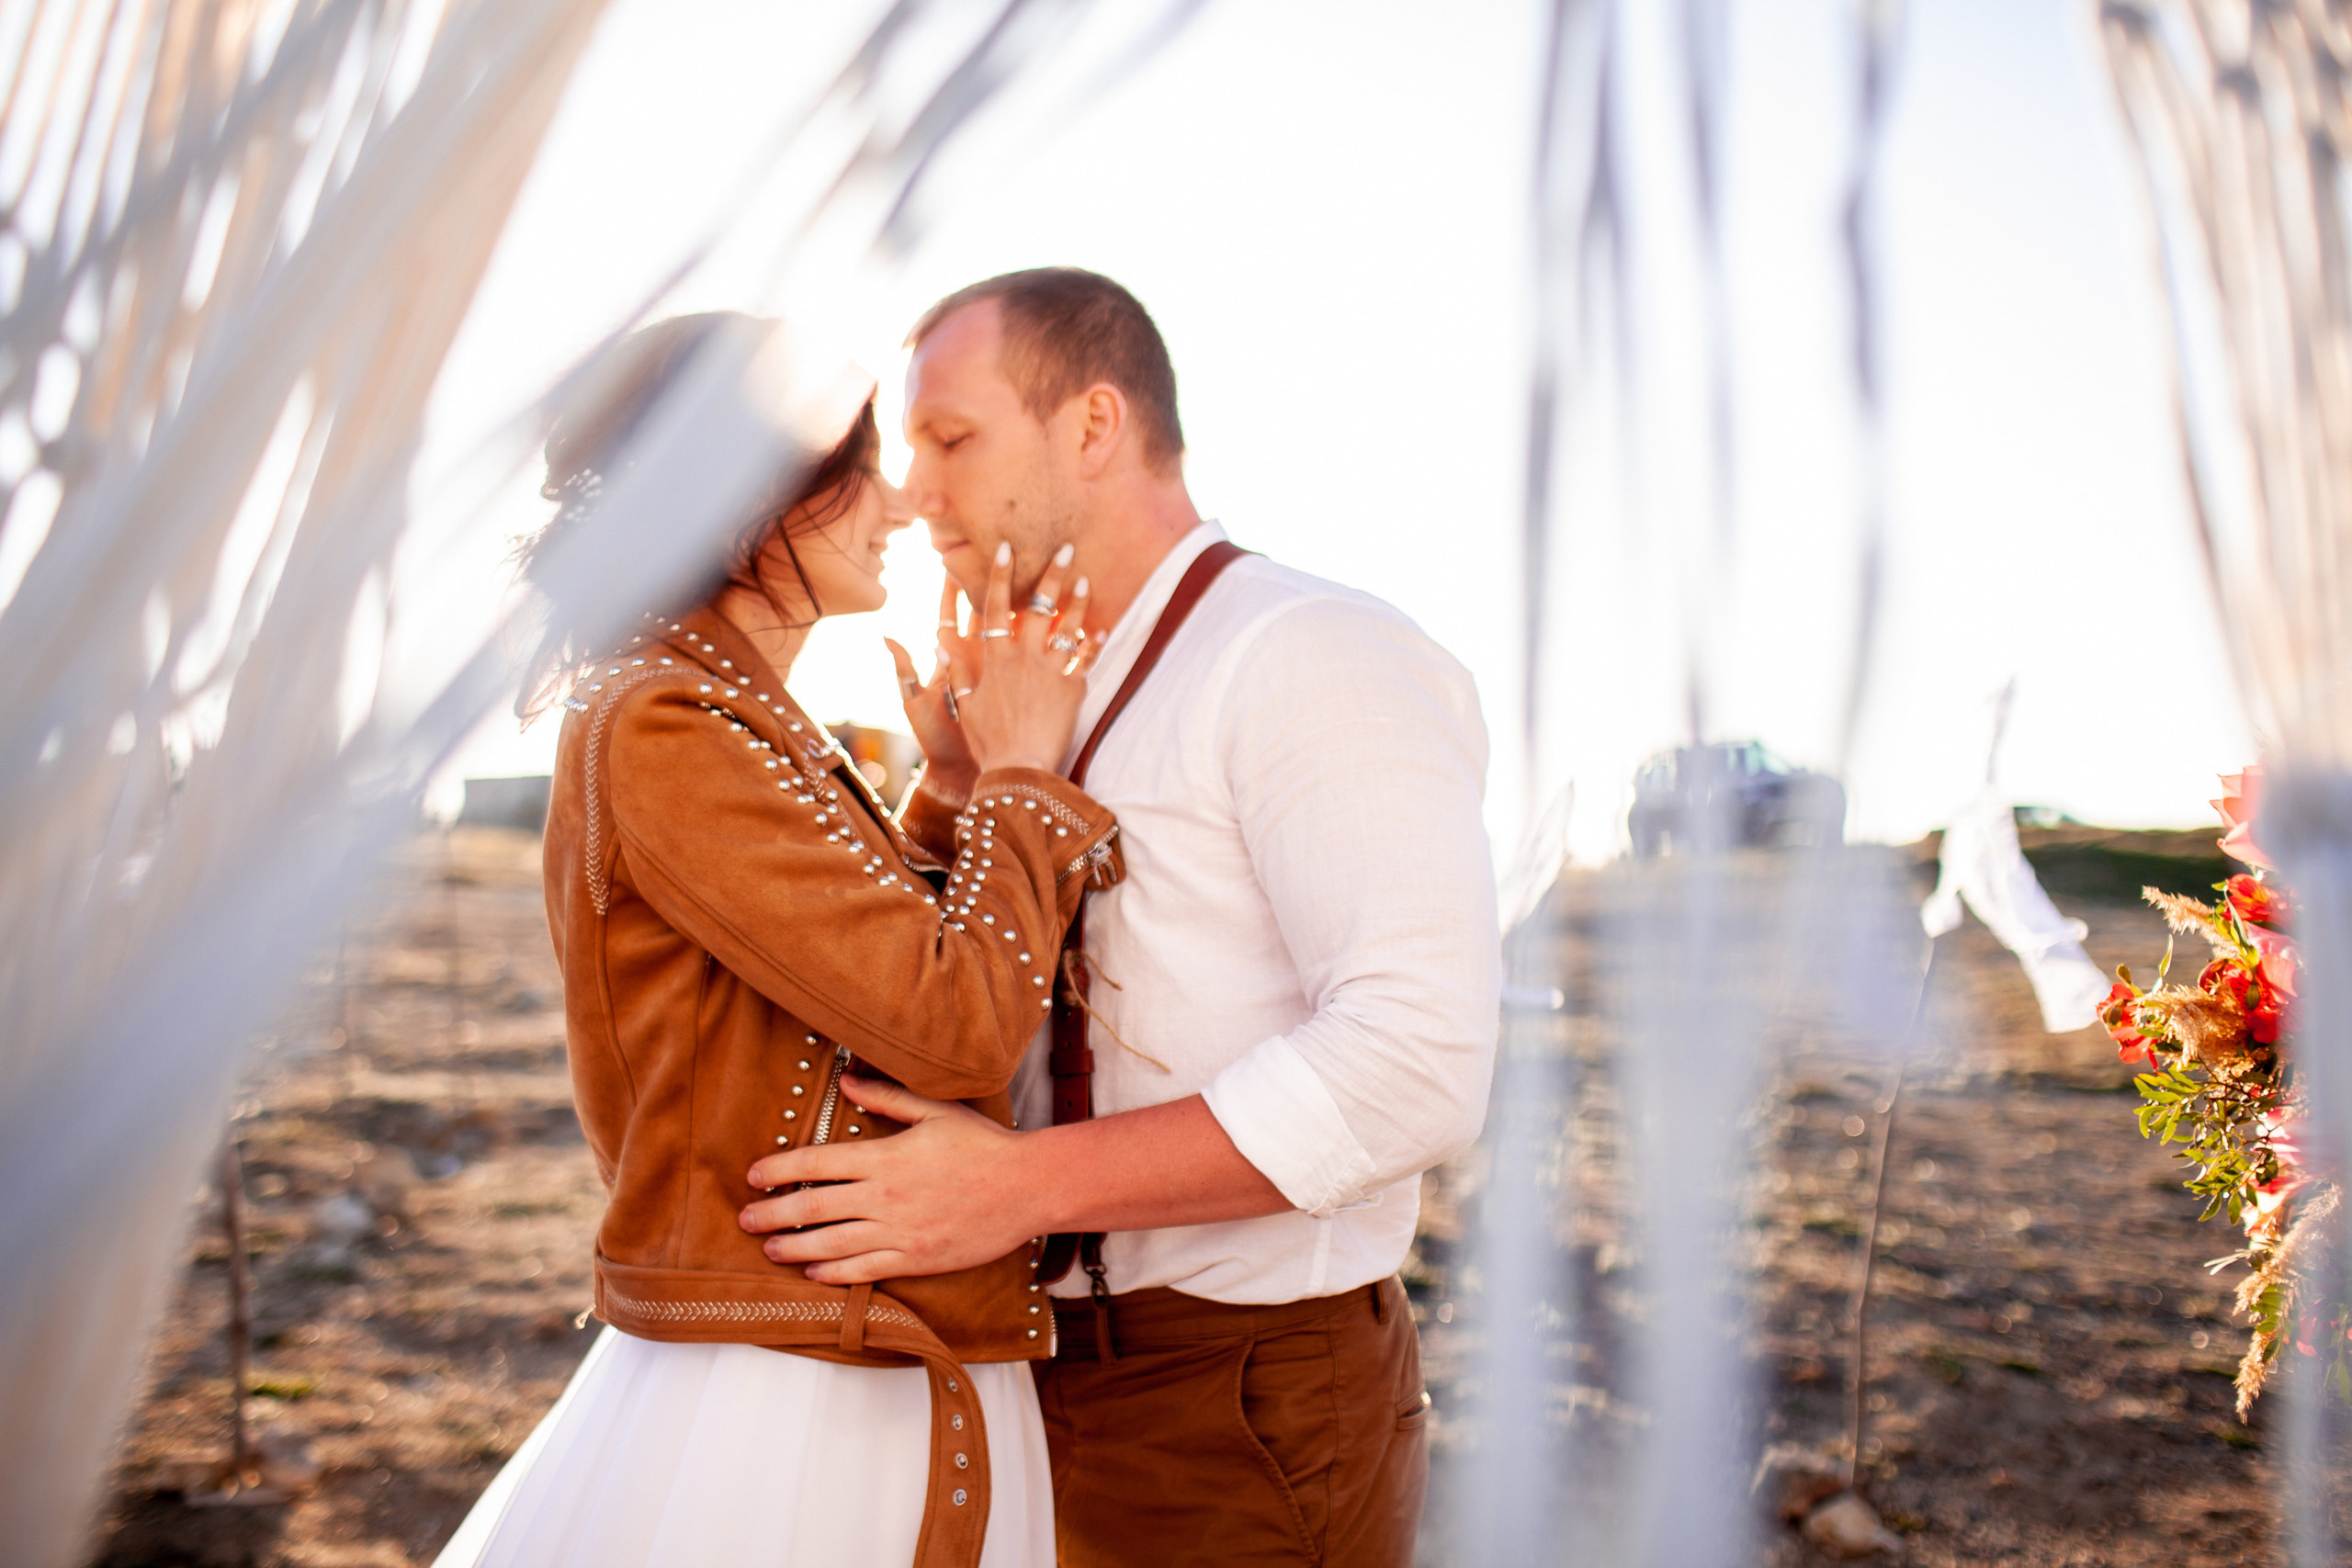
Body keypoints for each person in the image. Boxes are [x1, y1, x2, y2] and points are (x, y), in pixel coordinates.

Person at [742, 269, 1501, 1565]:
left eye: (950, 439)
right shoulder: (1034, 705)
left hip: (1241, 1396)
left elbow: (1414, 1065)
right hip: (1037, 1374)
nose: (913, 496)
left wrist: (1013, 1192)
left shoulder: (1309, 652)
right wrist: (966, 791)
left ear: (1093, 428)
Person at [434, 311, 1118, 1568]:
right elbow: (954, 1022)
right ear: (748, 502)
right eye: (854, 468)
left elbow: (836, 980)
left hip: (843, 1353)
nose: (902, 507)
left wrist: (957, 792)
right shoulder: (669, 724)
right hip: (789, 1399)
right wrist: (1026, 777)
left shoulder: (739, 721)